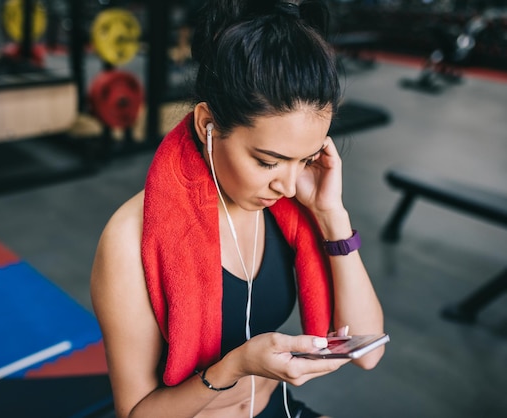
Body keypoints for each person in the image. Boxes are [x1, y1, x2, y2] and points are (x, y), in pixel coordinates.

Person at [90, 1, 385, 417]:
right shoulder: (129, 240)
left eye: (305, 159)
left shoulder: (291, 208)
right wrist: (234, 367)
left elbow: (368, 350)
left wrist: (331, 215)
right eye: (267, 161)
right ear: (207, 125)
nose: (285, 184)